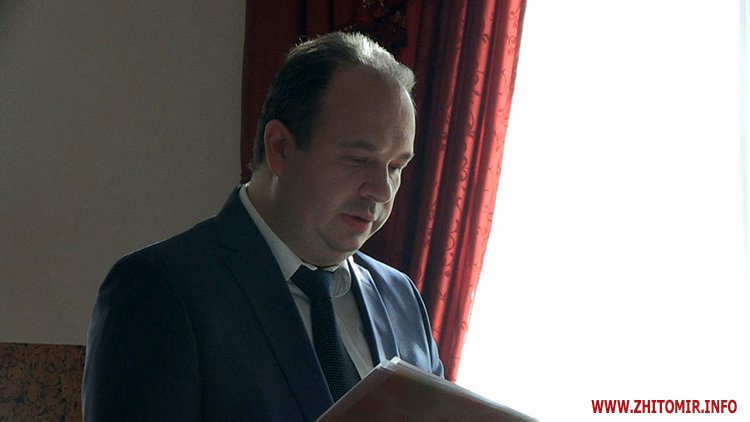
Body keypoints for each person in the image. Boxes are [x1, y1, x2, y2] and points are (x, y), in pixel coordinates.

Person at [82, 31, 444, 421]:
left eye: (396, 167)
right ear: (280, 147)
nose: (382, 190)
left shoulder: (402, 298)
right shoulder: (158, 290)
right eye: (358, 159)